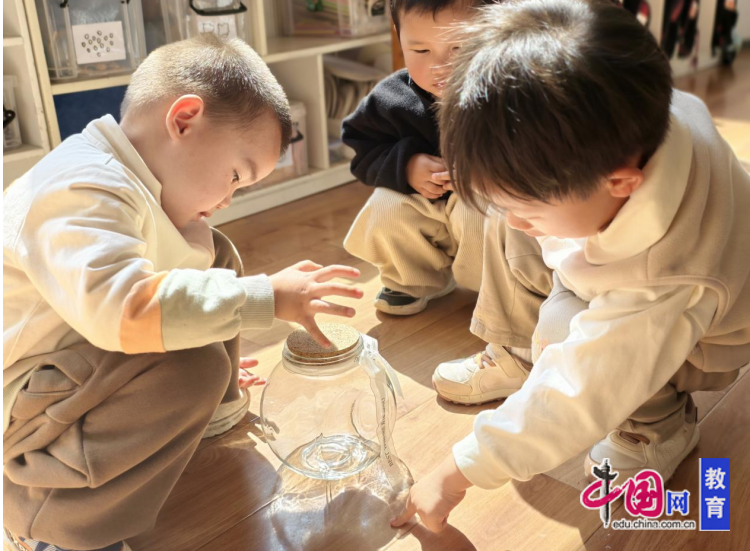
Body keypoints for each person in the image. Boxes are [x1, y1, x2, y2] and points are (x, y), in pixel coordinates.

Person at [394, 0, 750, 532]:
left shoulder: (665, 273)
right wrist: (523, 210)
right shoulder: (626, 116)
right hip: (605, 254)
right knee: (502, 220)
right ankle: (516, 350)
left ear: (621, 183)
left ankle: (655, 426)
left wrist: (459, 470)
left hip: (703, 336)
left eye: (530, 208)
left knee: (565, 331)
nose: (517, 220)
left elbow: (585, 386)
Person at [3, 34, 363, 550]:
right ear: (184, 120)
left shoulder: (126, 178)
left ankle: (211, 411)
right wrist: (265, 297)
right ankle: (49, 522)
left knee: (212, 254)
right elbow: (125, 311)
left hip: (73, 359)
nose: (228, 198)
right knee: (192, 370)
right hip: (23, 406)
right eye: (235, 176)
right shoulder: (79, 188)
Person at [342, 0, 494, 316]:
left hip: (486, 209)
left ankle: (497, 288)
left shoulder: (513, 95)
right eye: (421, 50)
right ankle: (412, 280)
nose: (440, 66)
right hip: (427, 212)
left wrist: (485, 174)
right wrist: (406, 166)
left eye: (458, 48)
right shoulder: (391, 99)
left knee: (477, 211)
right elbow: (363, 150)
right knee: (385, 205)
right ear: (399, 39)